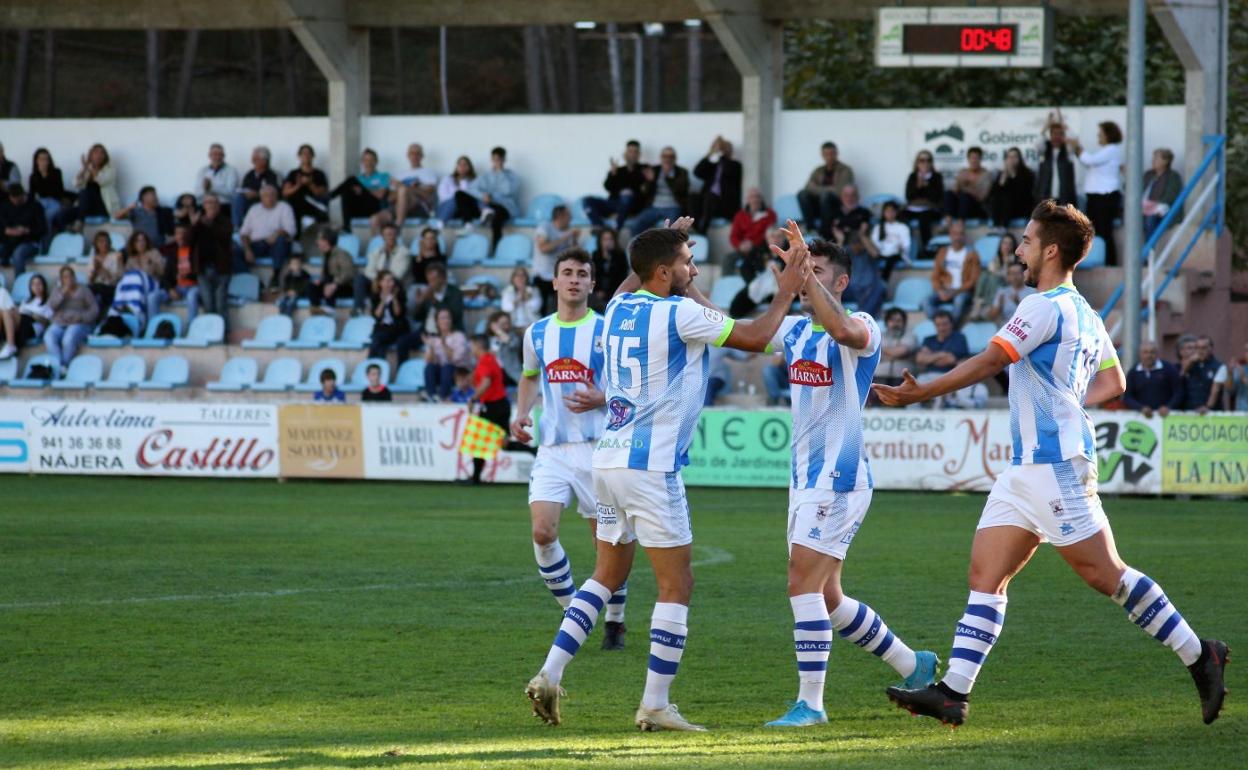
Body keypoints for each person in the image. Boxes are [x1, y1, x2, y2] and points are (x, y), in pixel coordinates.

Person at [875, 200, 1228, 728]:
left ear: (1050, 249)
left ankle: (1202, 654)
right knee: (985, 576)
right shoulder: (1083, 312)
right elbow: (1115, 383)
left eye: (1026, 241)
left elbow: (994, 359)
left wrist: (922, 391)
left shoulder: (1040, 306)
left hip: (1056, 464)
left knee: (1105, 574)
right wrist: (1066, 400)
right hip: (1026, 469)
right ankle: (953, 694)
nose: (1019, 250)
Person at [524, 220, 811, 731]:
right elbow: (760, 336)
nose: (694, 269)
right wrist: (786, 289)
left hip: (607, 461)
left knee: (607, 574)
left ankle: (550, 672)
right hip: (652, 467)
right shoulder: (681, 315)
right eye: (685, 262)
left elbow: (628, 281)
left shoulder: (617, 307)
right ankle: (655, 704)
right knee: (676, 584)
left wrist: (659, 236)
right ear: (663, 273)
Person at [760, 231, 938, 728]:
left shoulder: (863, 326)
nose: (806, 279)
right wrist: (687, 288)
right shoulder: (795, 331)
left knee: (801, 585)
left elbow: (843, 332)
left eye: (817, 272)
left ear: (841, 281)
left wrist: (805, 277)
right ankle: (913, 664)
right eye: (803, 270)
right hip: (803, 480)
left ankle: (811, 704)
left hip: (839, 477)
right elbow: (743, 330)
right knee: (829, 596)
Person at [510, 248, 631, 640]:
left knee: (607, 544)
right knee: (542, 532)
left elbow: (628, 381)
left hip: (601, 449)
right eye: (568, 272)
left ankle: (615, 617)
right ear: (555, 281)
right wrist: (521, 412)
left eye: (582, 273)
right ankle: (575, 612)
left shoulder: (605, 330)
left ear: (592, 284)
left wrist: (603, 397)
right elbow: (530, 377)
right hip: (553, 450)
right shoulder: (537, 332)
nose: (575, 278)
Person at [1073, 121, 1124, 266]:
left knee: (1104, 231)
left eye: (1100, 133)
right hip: (1096, 198)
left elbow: (1090, 160)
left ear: (1108, 135)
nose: (1098, 136)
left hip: (1105, 197)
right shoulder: (1107, 151)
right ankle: (1098, 259)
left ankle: (1109, 262)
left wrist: (1077, 146)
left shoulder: (1111, 149)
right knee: (1093, 231)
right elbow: (1088, 161)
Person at [463, 333, 511, 483]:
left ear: (478, 345)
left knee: (479, 442)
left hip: (492, 406)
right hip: (502, 404)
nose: (470, 349)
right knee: (505, 443)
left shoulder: (484, 361)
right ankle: (534, 451)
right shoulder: (490, 359)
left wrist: (473, 398)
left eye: (471, 345)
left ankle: (475, 478)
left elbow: (486, 382)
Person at [190, 193, 233, 330]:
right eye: (208, 203)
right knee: (208, 305)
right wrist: (194, 225)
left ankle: (223, 334)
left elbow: (224, 237)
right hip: (203, 269)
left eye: (214, 203)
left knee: (221, 305)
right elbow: (188, 240)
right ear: (203, 206)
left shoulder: (225, 221)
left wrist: (210, 223)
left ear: (218, 206)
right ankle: (211, 332)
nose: (211, 205)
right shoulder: (198, 222)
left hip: (221, 269)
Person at [925, 221, 980, 324]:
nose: (957, 237)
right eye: (955, 234)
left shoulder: (972, 254)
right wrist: (940, 290)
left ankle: (950, 328)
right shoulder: (942, 252)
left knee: (959, 301)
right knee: (926, 302)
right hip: (944, 289)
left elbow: (973, 280)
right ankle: (941, 325)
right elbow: (935, 276)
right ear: (950, 236)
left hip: (962, 291)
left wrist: (955, 292)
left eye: (960, 234)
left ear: (964, 236)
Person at [625, 147, 689, 235]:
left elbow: (682, 190)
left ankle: (668, 249)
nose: (668, 159)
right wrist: (650, 181)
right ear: (661, 158)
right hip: (654, 207)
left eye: (671, 156)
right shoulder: (655, 170)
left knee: (672, 231)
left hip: (673, 207)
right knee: (635, 225)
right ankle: (640, 248)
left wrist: (667, 175)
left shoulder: (682, 172)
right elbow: (645, 192)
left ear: (675, 158)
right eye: (665, 156)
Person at [465, 146, 520, 249]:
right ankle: (473, 221)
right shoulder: (485, 176)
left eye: (499, 159)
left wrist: (500, 172)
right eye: (495, 159)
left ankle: (496, 248)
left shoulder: (511, 176)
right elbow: (471, 189)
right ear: (491, 160)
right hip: (488, 204)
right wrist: (482, 195)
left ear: (504, 160)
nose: (497, 162)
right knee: (461, 195)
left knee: (496, 220)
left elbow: (508, 190)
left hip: (505, 207)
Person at [236, 185, 295, 278]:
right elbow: (244, 233)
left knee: (281, 241)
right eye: (266, 195)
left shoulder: (284, 207)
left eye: (272, 195)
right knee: (235, 252)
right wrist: (247, 250)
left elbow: (291, 230)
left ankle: (276, 275)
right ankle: (251, 279)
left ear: (277, 196)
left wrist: (276, 234)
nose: (270, 198)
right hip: (258, 245)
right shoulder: (254, 209)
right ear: (261, 197)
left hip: (277, 245)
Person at [797, 141, 854, 239]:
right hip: (818, 206)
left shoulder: (845, 170)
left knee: (826, 196)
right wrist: (828, 188)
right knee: (802, 194)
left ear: (837, 154)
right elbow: (808, 187)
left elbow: (840, 191)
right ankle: (811, 229)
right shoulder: (818, 170)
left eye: (832, 154)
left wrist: (818, 189)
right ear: (822, 155)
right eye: (826, 154)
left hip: (836, 206)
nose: (829, 157)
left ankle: (825, 231)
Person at [584, 140, 646, 229]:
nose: (632, 154)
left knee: (626, 195)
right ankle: (599, 227)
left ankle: (616, 230)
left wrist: (649, 181)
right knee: (587, 200)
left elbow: (645, 193)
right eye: (630, 151)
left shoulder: (644, 170)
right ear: (625, 154)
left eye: (635, 152)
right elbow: (607, 187)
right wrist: (612, 174)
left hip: (632, 206)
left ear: (639, 155)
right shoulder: (618, 170)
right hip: (614, 204)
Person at [45, 266, 99, 367]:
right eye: (65, 277)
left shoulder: (83, 289)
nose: (68, 279)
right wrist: (62, 294)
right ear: (61, 280)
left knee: (68, 338)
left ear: (74, 277)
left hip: (79, 322)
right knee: (49, 337)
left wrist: (81, 317)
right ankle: (58, 365)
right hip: (60, 322)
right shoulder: (57, 291)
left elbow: (94, 309)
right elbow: (50, 307)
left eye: (70, 276)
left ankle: (64, 365)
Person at [914, 310, 970, 407]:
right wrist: (941, 354)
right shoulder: (928, 339)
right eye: (938, 325)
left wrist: (931, 357)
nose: (942, 328)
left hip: (949, 375)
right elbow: (920, 359)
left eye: (945, 324)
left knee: (940, 394)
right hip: (928, 375)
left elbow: (950, 360)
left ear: (951, 324)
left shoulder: (959, 338)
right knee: (914, 389)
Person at [353, 222, 411, 314]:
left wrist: (381, 280)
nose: (391, 237)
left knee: (392, 281)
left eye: (393, 234)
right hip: (378, 283)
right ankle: (358, 308)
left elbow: (398, 274)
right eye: (388, 235)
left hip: (394, 284)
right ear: (383, 237)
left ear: (397, 236)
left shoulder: (404, 252)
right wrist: (379, 280)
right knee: (360, 278)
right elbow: (368, 271)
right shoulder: (376, 252)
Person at [377, 142, 438, 227]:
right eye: (412, 153)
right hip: (397, 206)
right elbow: (390, 198)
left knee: (402, 190)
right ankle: (378, 240)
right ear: (408, 156)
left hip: (419, 207)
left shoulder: (428, 173)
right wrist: (403, 191)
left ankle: (398, 225)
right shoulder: (400, 175)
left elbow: (427, 194)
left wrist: (403, 187)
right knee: (376, 219)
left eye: (418, 154)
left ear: (422, 156)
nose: (415, 156)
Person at [533, 205, 581, 312]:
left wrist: (574, 239)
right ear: (560, 216)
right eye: (569, 216)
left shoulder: (568, 232)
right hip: (542, 277)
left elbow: (574, 254)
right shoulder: (545, 227)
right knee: (542, 310)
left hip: (559, 277)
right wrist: (566, 236)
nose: (571, 218)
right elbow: (543, 248)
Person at [690, 136, 742, 233]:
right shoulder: (712, 165)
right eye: (720, 148)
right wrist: (710, 155)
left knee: (710, 197)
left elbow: (728, 171)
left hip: (724, 204)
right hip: (707, 202)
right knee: (693, 197)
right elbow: (697, 172)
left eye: (723, 148)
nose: (721, 150)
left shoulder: (735, 165)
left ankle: (702, 230)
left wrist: (722, 156)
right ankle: (695, 227)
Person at [329, 148, 390, 228]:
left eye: (371, 160)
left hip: (374, 208)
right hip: (360, 208)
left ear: (376, 162)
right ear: (362, 162)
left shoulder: (383, 176)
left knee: (351, 179)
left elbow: (380, 195)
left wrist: (363, 190)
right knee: (346, 191)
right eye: (366, 160)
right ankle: (347, 225)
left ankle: (328, 197)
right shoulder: (359, 179)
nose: (368, 163)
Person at [1123, 341, 1183, 417]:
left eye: (1152, 352)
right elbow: (1127, 397)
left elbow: (1179, 392)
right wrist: (1141, 408)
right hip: (1141, 418)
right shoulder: (1133, 372)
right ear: (1140, 354)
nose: (1149, 355)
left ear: (1157, 354)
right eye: (1145, 352)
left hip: (1166, 418)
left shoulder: (1169, 369)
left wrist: (1168, 407)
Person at [281, 144, 329, 236]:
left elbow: (321, 193)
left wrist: (310, 184)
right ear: (299, 156)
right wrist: (298, 185)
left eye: (308, 153)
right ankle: (296, 238)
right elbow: (285, 193)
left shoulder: (319, 173)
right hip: (296, 205)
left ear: (313, 156)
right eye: (303, 154)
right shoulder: (293, 173)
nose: (306, 156)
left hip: (313, 204)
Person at [157, 223, 200, 325]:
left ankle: (192, 328)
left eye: (183, 233)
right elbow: (165, 277)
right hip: (178, 287)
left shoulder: (196, 251)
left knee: (192, 295)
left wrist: (188, 275)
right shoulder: (172, 253)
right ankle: (155, 327)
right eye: (178, 234)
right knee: (153, 297)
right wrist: (170, 289)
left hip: (195, 286)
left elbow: (202, 274)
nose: (181, 236)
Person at [424, 307, 471, 400]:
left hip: (457, 373)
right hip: (440, 373)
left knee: (447, 367)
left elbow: (454, 359)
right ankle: (431, 396)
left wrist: (444, 344)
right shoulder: (433, 339)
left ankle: (443, 398)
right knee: (429, 368)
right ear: (437, 322)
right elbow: (429, 361)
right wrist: (431, 347)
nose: (446, 321)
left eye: (448, 318)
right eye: (442, 318)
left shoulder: (459, 336)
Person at [729, 187, 778, 276]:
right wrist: (740, 245)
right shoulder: (739, 216)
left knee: (749, 264)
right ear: (747, 200)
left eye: (757, 197)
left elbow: (769, 234)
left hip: (761, 248)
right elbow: (733, 236)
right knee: (728, 259)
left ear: (761, 199)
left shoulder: (770, 214)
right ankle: (728, 286)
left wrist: (752, 244)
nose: (755, 200)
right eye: (752, 197)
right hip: (743, 249)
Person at [0, 184, 46, 275]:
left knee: (18, 254)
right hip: (10, 241)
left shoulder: (35, 206)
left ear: (22, 195)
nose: (14, 201)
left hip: (30, 241)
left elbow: (43, 229)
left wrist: (26, 231)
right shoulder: (6, 206)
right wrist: (7, 230)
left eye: (16, 198)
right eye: (12, 198)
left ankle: (19, 282)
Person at [307, 227, 356, 313]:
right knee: (312, 286)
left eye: (320, 239)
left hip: (343, 286)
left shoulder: (341, 254)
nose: (317, 242)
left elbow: (349, 273)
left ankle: (329, 307)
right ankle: (316, 308)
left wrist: (335, 284)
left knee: (329, 280)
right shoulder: (324, 255)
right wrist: (320, 280)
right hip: (329, 285)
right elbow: (325, 273)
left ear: (327, 241)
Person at [970, 233, 1016, 322]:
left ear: (1013, 246)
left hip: (1007, 285)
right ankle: (978, 303)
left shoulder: (1014, 260)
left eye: (1010, 244)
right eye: (1004, 243)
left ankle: (985, 306)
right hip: (994, 284)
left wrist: (1006, 265)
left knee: (993, 277)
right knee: (984, 275)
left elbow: (1009, 278)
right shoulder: (996, 258)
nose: (1007, 246)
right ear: (1000, 245)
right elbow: (991, 269)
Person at [872, 308, 916, 401]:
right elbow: (873, 353)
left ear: (904, 323)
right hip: (879, 378)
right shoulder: (879, 335)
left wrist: (882, 350)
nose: (895, 324)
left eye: (899, 321)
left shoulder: (910, 336)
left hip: (901, 379)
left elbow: (900, 352)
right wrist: (895, 354)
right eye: (892, 320)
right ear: (886, 322)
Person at [232, 146, 280, 231]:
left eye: (256, 159)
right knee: (238, 198)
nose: (253, 161)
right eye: (253, 158)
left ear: (265, 160)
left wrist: (257, 194)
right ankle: (238, 228)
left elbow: (276, 192)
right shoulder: (250, 174)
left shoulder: (273, 175)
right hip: (248, 202)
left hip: (263, 202)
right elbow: (244, 188)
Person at [842, 230, 886, 319]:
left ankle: (863, 316)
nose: (854, 246)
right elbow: (835, 259)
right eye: (852, 243)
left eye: (857, 243)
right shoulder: (848, 251)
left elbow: (875, 254)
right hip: (851, 290)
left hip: (869, 290)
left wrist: (862, 236)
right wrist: (841, 240)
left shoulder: (869, 252)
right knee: (833, 284)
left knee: (881, 286)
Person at [410, 262, 464, 334]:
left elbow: (455, 315)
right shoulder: (428, 293)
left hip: (449, 333)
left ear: (443, 278)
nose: (430, 284)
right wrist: (419, 303)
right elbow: (417, 318)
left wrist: (434, 301)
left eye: (433, 280)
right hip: (427, 332)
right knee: (402, 343)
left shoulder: (455, 293)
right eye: (429, 280)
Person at [904, 151, 944, 247]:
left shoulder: (937, 177)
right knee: (900, 216)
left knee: (924, 218)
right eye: (922, 160)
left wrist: (926, 185)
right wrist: (918, 185)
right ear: (917, 163)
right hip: (914, 209)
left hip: (930, 210)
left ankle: (927, 247)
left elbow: (937, 197)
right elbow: (908, 196)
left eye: (928, 160)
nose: (925, 163)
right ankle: (908, 246)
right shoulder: (913, 176)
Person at [366, 270, 409, 359]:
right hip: (382, 328)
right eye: (387, 281)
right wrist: (383, 301)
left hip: (397, 328)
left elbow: (398, 314)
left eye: (392, 280)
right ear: (380, 283)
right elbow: (377, 315)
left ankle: (371, 366)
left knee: (377, 340)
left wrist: (394, 298)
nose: (391, 283)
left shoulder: (400, 294)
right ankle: (375, 367)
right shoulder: (376, 295)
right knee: (380, 347)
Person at [1034, 117, 1076, 207]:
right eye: (1054, 133)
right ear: (1050, 135)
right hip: (1046, 197)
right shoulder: (1045, 150)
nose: (1057, 137)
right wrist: (1046, 126)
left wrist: (1064, 126)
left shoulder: (1067, 151)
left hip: (1065, 198)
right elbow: (1037, 143)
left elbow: (1073, 139)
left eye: (1060, 134)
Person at [943, 147, 993, 222]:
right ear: (968, 159)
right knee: (948, 194)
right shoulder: (963, 172)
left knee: (965, 196)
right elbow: (954, 191)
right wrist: (959, 184)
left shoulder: (986, 175)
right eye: (972, 158)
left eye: (976, 158)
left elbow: (982, 197)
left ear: (980, 159)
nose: (974, 161)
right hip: (961, 206)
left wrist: (968, 187)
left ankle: (960, 224)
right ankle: (948, 222)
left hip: (976, 208)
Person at [1142, 148, 1183, 239]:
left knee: (1150, 219)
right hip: (1144, 207)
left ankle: (1149, 249)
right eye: (1153, 158)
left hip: (1161, 210)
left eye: (1156, 158)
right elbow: (1136, 191)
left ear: (1165, 161)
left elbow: (1170, 197)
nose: (1153, 161)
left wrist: (1152, 205)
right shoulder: (1148, 174)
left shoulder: (1173, 176)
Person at [990, 147, 1036, 228]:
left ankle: (1004, 226)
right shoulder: (1002, 174)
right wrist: (1004, 175)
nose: (1012, 159)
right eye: (1009, 157)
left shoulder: (1027, 173)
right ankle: (996, 225)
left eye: (1014, 157)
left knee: (1007, 198)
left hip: (1021, 206)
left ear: (1019, 159)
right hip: (1005, 208)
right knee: (999, 199)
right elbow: (996, 192)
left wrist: (1012, 174)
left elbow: (1022, 193)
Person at [1178, 335, 1224, 413]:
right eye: (1197, 348)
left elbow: (1215, 391)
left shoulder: (1219, 366)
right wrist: (1190, 361)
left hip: (1210, 413)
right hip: (1189, 412)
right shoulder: (1192, 364)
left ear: (1211, 349)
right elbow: (1180, 376)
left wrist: (1207, 407)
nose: (1200, 351)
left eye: (1204, 348)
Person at [74, 143, 120, 222]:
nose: (99, 155)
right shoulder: (88, 168)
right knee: (63, 215)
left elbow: (101, 180)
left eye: (102, 153)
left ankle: (79, 222)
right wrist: (84, 169)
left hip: (104, 206)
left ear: (105, 156)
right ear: (91, 155)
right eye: (95, 153)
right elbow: (76, 184)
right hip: (86, 206)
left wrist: (89, 168)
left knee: (87, 192)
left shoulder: (110, 169)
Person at [29, 148, 69, 236]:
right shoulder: (34, 176)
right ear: (36, 161)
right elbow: (32, 194)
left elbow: (58, 191)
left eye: (46, 159)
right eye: (41, 159)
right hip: (42, 202)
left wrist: (45, 175)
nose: (44, 162)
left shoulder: (56, 172)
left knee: (46, 217)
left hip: (55, 201)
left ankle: (46, 244)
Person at [869, 200, 911, 281]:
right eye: (887, 211)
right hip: (881, 253)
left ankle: (884, 281)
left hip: (896, 253)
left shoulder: (903, 227)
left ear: (897, 212)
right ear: (883, 213)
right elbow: (874, 241)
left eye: (893, 211)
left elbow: (906, 243)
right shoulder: (878, 227)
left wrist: (901, 248)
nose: (890, 214)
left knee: (891, 259)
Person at [985, 261, 1036, 326]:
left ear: (1023, 274)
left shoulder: (1032, 292)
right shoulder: (1002, 292)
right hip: (1005, 328)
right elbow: (992, 316)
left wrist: (1018, 303)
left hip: (1024, 328)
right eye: (1012, 273)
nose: (1015, 277)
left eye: (1018, 273)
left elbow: (1033, 316)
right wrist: (999, 307)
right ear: (1008, 276)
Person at [591, 228, 629, 310]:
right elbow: (593, 275)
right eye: (605, 239)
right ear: (600, 241)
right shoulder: (595, 255)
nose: (607, 242)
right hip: (597, 293)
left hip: (615, 292)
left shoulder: (620, 255)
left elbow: (622, 277)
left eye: (610, 239)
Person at [15, 273, 53, 349]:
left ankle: (15, 345)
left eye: (39, 284)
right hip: (21, 324)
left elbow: (47, 322)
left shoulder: (49, 302)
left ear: (44, 286)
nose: (36, 287)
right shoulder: (26, 301)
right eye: (33, 284)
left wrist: (31, 314)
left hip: (35, 327)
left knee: (25, 317)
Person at [196, 143, 240, 207]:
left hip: (223, 204)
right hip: (204, 204)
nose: (217, 157)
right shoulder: (202, 171)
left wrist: (212, 187)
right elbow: (197, 193)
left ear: (224, 156)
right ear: (209, 155)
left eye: (220, 154)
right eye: (214, 154)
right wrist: (205, 189)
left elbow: (231, 193)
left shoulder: (231, 170)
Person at [487, 311, 522, 387]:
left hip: (512, 373)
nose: (506, 326)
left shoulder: (513, 336)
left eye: (508, 323)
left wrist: (499, 332)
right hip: (494, 374)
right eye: (503, 324)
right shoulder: (489, 339)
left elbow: (514, 345)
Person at [435, 155, 475, 222]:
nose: (462, 167)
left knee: (462, 199)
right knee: (458, 197)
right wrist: (457, 196)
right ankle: (441, 222)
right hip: (446, 207)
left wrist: (464, 181)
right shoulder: (447, 179)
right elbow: (443, 196)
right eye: (460, 164)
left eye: (465, 165)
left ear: (469, 167)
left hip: (464, 210)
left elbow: (471, 198)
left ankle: (468, 223)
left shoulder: (473, 181)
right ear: (456, 167)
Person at [501, 266, 542, 330]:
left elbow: (536, 307)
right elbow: (505, 308)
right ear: (513, 278)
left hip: (531, 323)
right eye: (517, 275)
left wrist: (528, 298)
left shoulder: (534, 290)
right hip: (513, 325)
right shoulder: (507, 291)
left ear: (527, 278)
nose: (520, 278)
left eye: (523, 275)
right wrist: (518, 300)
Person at [1228, 342, 1248, 412]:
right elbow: (1230, 391)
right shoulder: (1241, 368)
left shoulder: (1241, 372)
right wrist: (1230, 373)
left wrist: (1244, 378)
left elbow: (1244, 380)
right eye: (1246, 350)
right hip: (1241, 412)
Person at [0, 287, 17, 359]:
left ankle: (11, 345)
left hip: (11, 326)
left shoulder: (2, 292)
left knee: (5, 312)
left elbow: (11, 310)